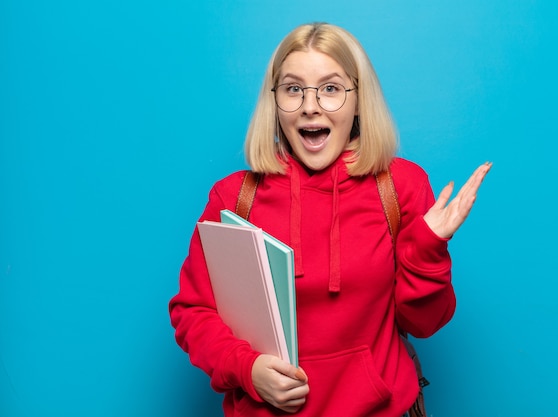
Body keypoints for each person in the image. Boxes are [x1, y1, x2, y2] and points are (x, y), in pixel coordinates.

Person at [169, 22, 491, 417]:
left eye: (331, 89)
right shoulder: (234, 198)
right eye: (292, 89)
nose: (310, 106)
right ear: (275, 101)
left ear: (358, 100)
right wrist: (247, 368)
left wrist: (428, 248)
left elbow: (424, 323)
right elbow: (193, 312)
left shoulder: (401, 186)